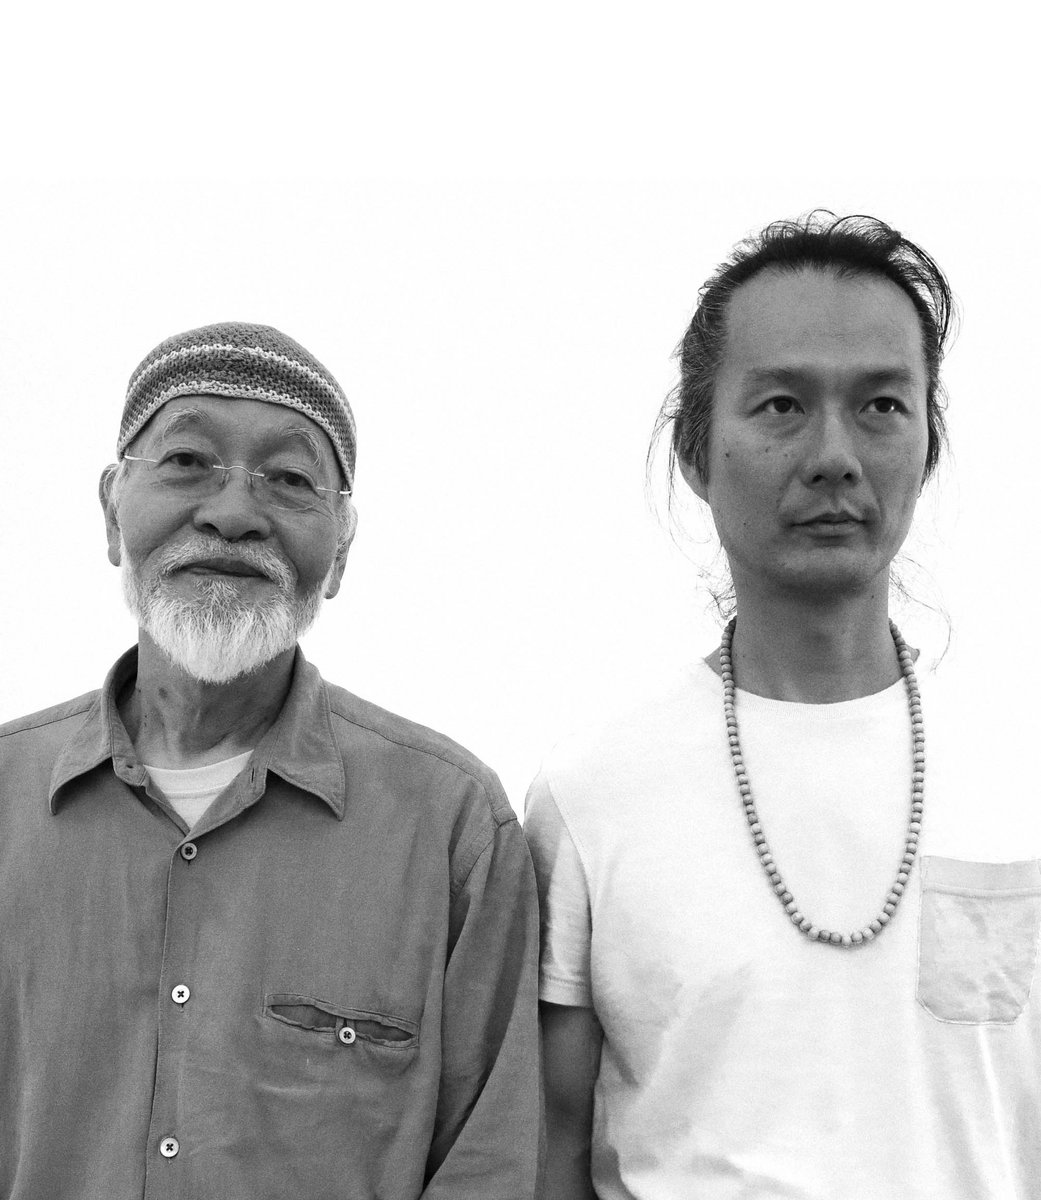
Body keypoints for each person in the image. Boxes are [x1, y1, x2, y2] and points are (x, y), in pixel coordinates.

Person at [525, 213, 1041, 1198]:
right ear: (694, 452)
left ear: (926, 446)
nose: (833, 455)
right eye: (780, 406)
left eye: (881, 404)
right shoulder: (593, 792)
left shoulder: (1021, 770)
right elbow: (551, 1148)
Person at [0, 323, 541, 1199]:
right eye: (187, 462)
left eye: (288, 479)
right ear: (111, 511)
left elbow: (493, 1164)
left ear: (342, 548)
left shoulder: (451, 829)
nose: (233, 513)